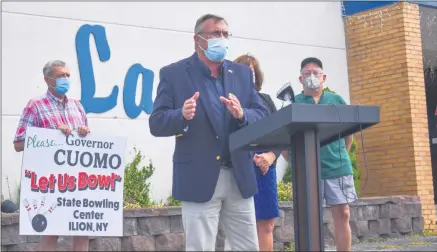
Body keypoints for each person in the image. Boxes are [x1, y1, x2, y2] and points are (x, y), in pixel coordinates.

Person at [149, 14, 269, 251]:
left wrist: (242, 114)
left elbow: (262, 114)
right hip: (198, 175)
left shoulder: (242, 74)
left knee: (247, 247)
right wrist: (181, 115)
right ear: (197, 39)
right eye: (215, 34)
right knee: (200, 247)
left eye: (225, 34)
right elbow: (157, 122)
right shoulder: (174, 74)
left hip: (239, 175)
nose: (222, 39)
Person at [13, 60, 90, 251]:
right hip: (50, 181)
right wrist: (52, 135)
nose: (65, 79)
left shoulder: (77, 106)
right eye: (60, 76)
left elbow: (88, 140)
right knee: (51, 230)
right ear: (48, 80)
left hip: (77, 180)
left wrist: (84, 131)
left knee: (82, 230)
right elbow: (18, 143)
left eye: (67, 75)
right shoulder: (36, 105)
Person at [282, 57, 357, 252]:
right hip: (306, 170)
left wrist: (340, 154)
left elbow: (349, 135)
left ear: (324, 77)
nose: (312, 77)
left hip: (337, 167)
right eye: (307, 74)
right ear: (300, 79)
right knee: (309, 218)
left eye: (316, 73)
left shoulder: (336, 100)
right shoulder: (293, 103)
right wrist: (296, 163)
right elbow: (281, 140)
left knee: (343, 214)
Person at [230, 54, 280, 251]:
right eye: (243, 71)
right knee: (242, 227)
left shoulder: (266, 100)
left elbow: (280, 133)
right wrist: (250, 157)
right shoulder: (230, 101)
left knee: (266, 224)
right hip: (240, 169)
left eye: (251, 72)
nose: (247, 76)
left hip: (265, 169)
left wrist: (269, 156)